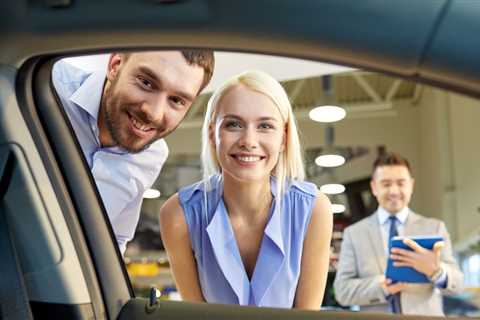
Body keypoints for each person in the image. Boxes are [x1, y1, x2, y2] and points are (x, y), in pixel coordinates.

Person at [159, 70, 333, 309]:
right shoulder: (178, 216)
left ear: (283, 138)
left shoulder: (313, 210)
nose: (249, 140)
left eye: (264, 126)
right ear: (212, 134)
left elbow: (307, 316)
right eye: (233, 124)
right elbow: (196, 317)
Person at [52, 50, 215, 254]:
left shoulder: (152, 155)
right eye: (146, 83)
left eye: (176, 100)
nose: (154, 113)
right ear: (115, 65)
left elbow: (114, 238)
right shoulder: (46, 86)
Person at [333, 152, 463, 316]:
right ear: (374, 187)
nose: (394, 191)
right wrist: (382, 286)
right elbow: (342, 292)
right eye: (386, 184)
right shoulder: (354, 234)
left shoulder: (435, 228)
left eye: (401, 183)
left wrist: (436, 271)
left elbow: (458, 285)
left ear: (411, 185)